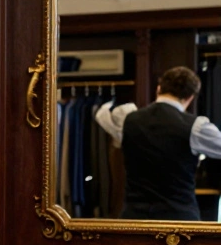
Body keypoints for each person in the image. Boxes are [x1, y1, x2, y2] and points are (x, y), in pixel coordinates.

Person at [94, 66, 221, 221]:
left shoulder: (127, 119)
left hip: (135, 219)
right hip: (179, 220)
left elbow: (102, 116)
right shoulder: (195, 127)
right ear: (190, 97)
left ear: (158, 89)